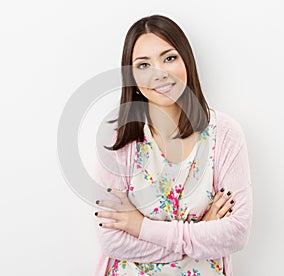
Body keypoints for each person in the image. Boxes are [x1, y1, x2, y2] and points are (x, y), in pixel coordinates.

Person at [92, 14, 252, 276]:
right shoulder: (116, 139)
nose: (160, 73)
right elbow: (113, 241)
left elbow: (236, 233)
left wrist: (141, 227)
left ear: (186, 60)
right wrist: (198, 237)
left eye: (169, 58)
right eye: (143, 65)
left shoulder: (225, 134)